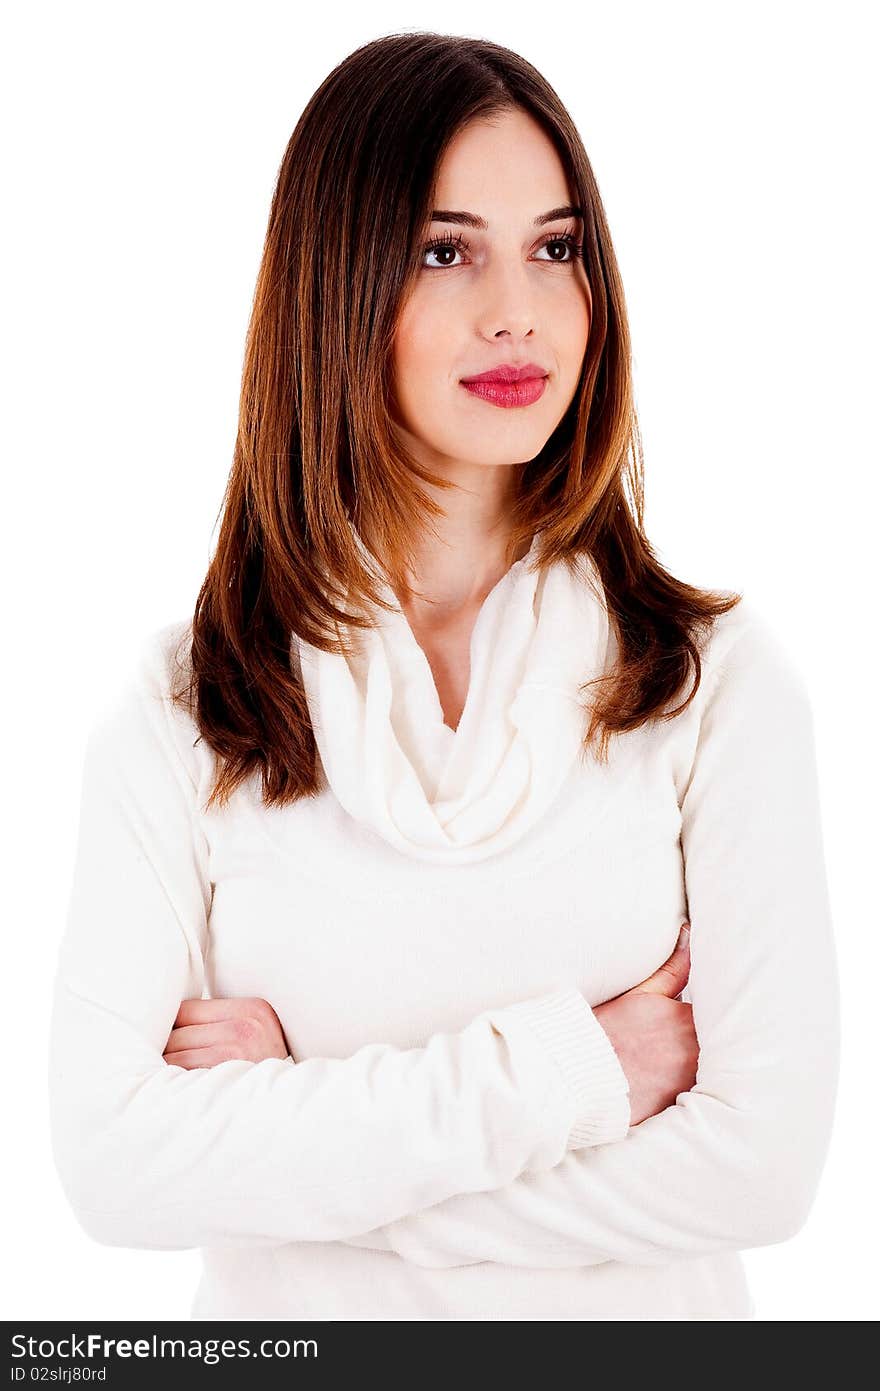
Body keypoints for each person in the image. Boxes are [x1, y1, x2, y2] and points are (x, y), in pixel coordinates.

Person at [47, 32, 840, 1322]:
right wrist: (581, 1072)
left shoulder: (714, 686)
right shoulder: (189, 705)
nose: (517, 308)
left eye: (557, 246)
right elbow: (112, 1169)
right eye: (444, 249)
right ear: (334, 283)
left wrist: (307, 1128)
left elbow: (763, 1171)